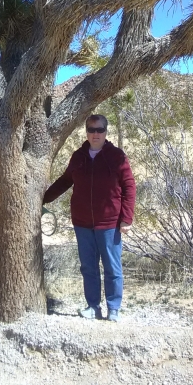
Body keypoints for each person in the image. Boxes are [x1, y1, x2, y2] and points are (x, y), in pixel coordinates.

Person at [43, 114, 136, 322]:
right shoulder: (79, 156)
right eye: (92, 130)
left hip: (109, 223)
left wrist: (126, 218)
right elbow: (66, 181)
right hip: (82, 222)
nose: (96, 134)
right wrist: (42, 198)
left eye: (100, 130)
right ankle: (93, 307)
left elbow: (129, 187)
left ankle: (114, 308)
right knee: (88, 267)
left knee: (112, 267)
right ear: (86, 132)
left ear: (106, 132)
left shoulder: (116, 156)